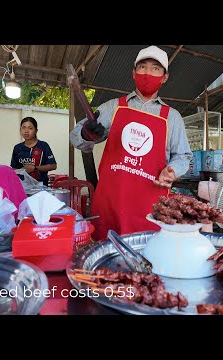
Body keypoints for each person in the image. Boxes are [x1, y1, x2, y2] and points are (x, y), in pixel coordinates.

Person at [70, 45, 193, 240]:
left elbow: (183, 156)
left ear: (165, 76)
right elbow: (76, 138)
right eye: (142, 67)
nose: (148, 73)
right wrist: (87, 134)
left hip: (150, 209)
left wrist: (172, 170)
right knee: (106, 261)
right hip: (110, 204)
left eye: (155, 68)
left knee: (147, 261)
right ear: (133, 72)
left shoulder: (172, 117)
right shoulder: (113, 107)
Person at [10, 116, 57, 186]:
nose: (26, 131)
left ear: (36, 131)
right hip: (22, 185)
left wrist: (35, 168)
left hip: (40, 185)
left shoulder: (43, 145)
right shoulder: (17, 148)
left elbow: (53, 166)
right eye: (23, 128)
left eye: (30, 128)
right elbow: (13, 168)